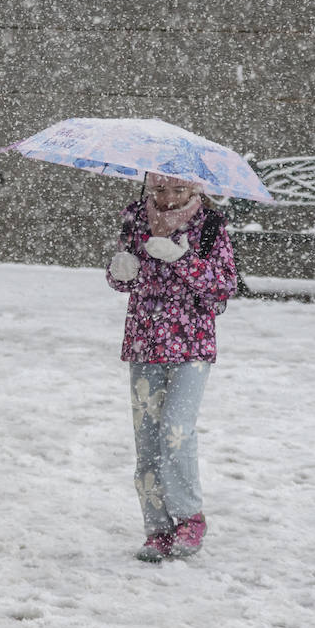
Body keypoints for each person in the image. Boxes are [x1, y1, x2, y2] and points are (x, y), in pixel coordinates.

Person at [106, 172, 238, 561]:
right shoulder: (134, 216)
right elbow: (122, 279)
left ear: (195, 189)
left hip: (192, 343)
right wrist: (120, 271)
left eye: (178, 189)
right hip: (144, 340)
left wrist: (184, 260)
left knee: (176, 432)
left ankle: (188, 518)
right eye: (160, 189)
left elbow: (224, 286)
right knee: (147, 440)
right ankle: (157, 528)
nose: (168, 198)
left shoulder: (210, 225)